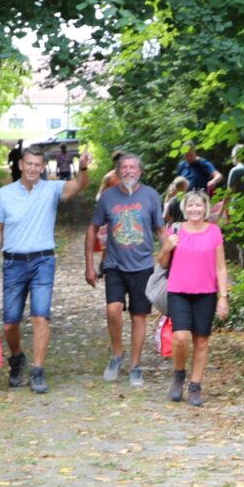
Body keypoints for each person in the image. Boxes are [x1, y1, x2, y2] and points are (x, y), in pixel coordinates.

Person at [0, 146, 90, 393]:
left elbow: (79, 185)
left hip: (43, 261)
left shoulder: (51, 189)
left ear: (43, 168)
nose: (32, 169)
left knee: (40, 316)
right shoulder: (4, 194)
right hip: (13, 263)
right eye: (29, 164)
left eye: (37, 165)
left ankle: (38, 371)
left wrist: (83, 167)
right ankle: (17, 358)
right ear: (21, 165)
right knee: (10, 323)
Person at [85, 152, 166, 385]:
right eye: (124, 167)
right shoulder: (108, 197)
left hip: (143, 266)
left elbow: (161, 230)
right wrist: (89, 265)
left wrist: (170, 258)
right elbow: (92, 229)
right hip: (115, 265)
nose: (128, 171)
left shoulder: (151, 195)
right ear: (118, 172)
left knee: (139, 316)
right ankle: (117, 354)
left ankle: (135, 366)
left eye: (132, 167)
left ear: (140, 171)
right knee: (113, 309)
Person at [157, 189, 232, 407]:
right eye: (190, 205)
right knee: (180, 337)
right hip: (178, 291)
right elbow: (162, 262)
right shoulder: (175, 230)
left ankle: (195, 386)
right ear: (185, 209)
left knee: (201, 340)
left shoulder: (214, 232)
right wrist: (167, 247)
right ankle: (178, 375)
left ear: (205, 208)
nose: (195, 209)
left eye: (199, 205)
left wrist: (223, 296)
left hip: (206, 292)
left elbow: (221, 267)